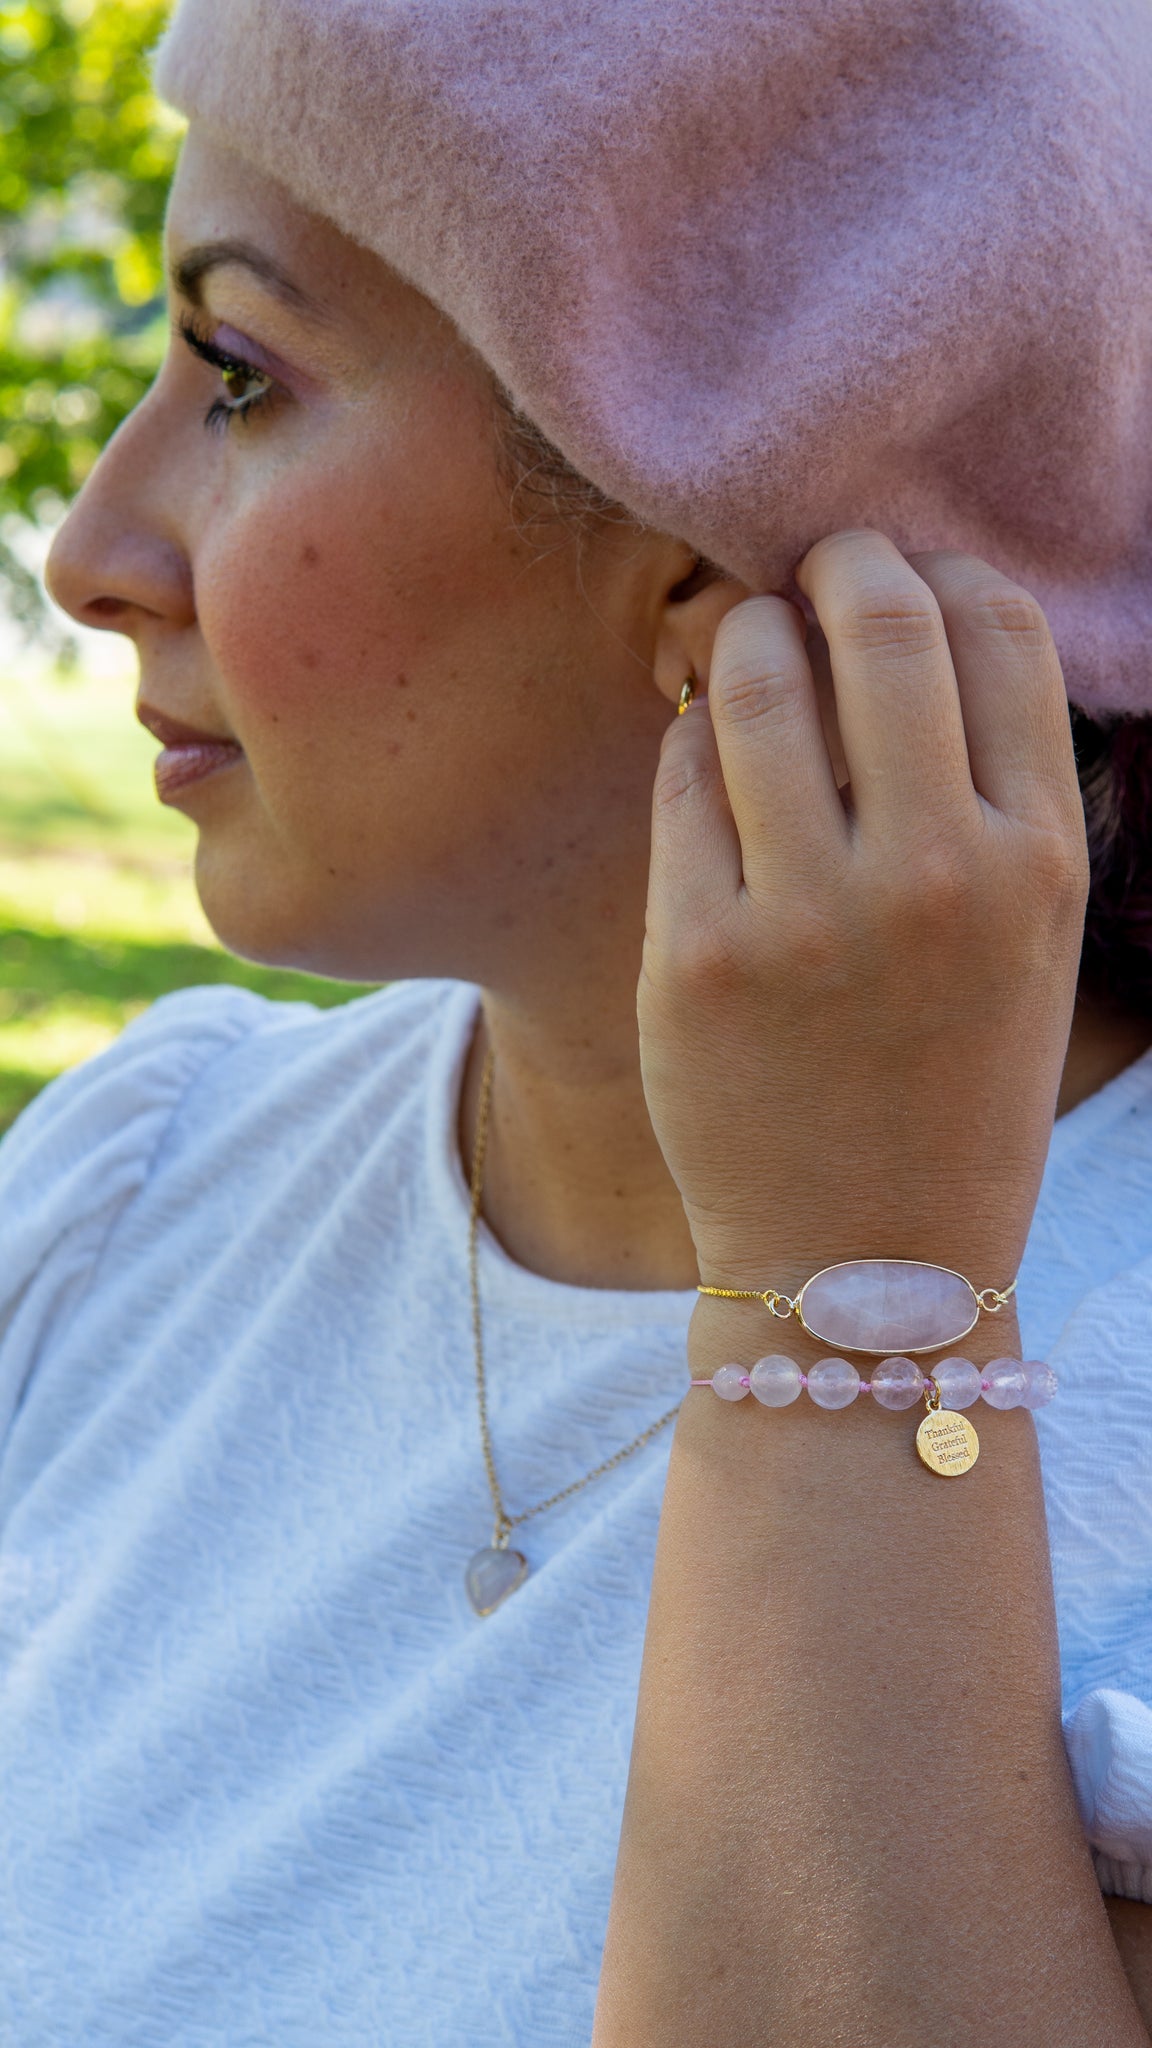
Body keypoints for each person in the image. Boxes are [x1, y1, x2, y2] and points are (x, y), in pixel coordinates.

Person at [4, 0, 1152, 2040]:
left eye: (241, 378)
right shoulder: (138, 1190)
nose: (95, 552)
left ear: (739, 576)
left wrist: (852, 1298)